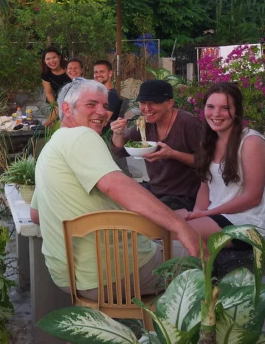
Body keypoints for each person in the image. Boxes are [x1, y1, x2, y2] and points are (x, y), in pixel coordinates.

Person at [29, 78, 201, 297]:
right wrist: (179, 226)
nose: (102, 112)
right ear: (67, 109)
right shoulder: (82, 135)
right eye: (91, 104)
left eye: (105, 105)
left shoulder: (51, 147)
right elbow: (115, 185)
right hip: (115, 273)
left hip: (69, 278)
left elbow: (35, 215)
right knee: (206, 257)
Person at [175, 82, 265, 248]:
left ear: (236, 111)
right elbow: (205, 187)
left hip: (250, 223)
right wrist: (197, 213)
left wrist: (205, 214)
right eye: (210, 107)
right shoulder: (209, 141)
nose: (216, 113)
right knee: (158, 224)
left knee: (174, 232)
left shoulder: (251, 142)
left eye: (225, 108)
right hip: (218, 215)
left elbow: (252, 198)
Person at [110, 79, 202, 211]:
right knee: (115, 200)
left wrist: (173, 154)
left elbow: (206, 162)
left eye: (154, 102)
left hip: (183, 196)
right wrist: (118, 133)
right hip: (155, 189)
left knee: (143, 213)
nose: (147, 109)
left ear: (170, 103)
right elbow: (120, 151)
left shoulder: (189, 124)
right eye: (143, 103)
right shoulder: (146, 123)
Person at [40, 46, 71, 127]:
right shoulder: (45, 74)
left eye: (54, 57)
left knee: (53, 123)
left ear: (59, 57)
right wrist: (55, 106)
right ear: (44, 61)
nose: (51, 61)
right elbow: (49, 93)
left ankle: (46, 126)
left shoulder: (69, 68)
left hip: (73, 101)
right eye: (48, 59)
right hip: (59, 102)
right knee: (54, 122)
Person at [93, 59, 121, 130]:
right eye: (96, 72)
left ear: (110, 74)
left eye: (102, 72)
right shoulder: (97, 94)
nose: (98, 75)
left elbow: (103, 121)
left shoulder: (111, 95)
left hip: (103, 133)